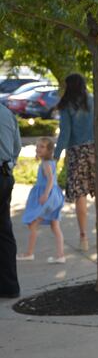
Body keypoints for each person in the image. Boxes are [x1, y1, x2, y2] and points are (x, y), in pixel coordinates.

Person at [54, 73, 95, 252]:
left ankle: (83, 237)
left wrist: (54, 157)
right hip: (95, 152)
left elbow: (64, 135)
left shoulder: (67, 106)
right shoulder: (93, 101)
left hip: (77, 153)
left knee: (81, 196)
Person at [16, 137, 65, 264]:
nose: (38, 149)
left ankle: (29, 253)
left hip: (48, 196)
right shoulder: (49, 162)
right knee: (55, 225)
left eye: (42, 146)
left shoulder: (46, 164)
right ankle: (60, 255)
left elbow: (50, 180)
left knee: (33, 223)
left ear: (49, 150)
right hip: (54, 196)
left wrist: (45, 194)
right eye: (37, 146)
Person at [0, 102, 21, 298]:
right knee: (4, 231)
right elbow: (17, 147)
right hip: (5, 176)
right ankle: (9, 286)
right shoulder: (7, 113)